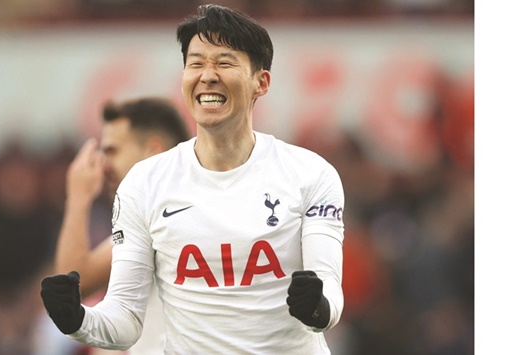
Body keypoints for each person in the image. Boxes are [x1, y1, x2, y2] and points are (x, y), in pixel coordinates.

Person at [41, 4, 345, 354]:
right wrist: (77, 320)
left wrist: (316, 309)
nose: (208, 75)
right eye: (196, 63)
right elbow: (125, 318)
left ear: (260, 82)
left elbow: (330, 292)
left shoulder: (311, 175)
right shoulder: (144, 184)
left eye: (224, 62)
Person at [52, 97, 191, 354]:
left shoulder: (162, 217)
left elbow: (72, 282)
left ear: (154, 152)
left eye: (112, 151)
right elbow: (71, 287)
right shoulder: (151, 215)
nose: (103, 165)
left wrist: (79, 198)